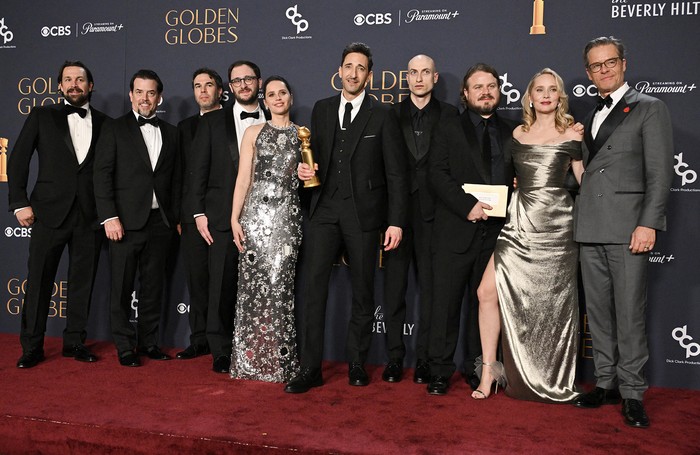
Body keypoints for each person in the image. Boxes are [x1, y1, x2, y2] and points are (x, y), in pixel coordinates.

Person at [285, 42, 408, 393]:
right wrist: (304, 171)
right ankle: (310, 367)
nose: (353, 73)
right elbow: (315, 161)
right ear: (339, 71)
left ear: (369, 75)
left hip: (364, 216)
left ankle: (357, 362)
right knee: (313, 290)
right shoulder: (322, 110)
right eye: (348, 66)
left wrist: (395, 220)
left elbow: (397, 174)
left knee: (363, 292)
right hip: (324, 210)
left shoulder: (382, 115)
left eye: (360, 68)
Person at [572, 36, 673, 429]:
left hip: (629, 227)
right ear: (588, 72)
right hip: (590, 227)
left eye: (610, 62)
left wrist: (648, 223)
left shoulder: (650, 108)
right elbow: (585, 173)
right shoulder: (590, 114)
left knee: (629, 314)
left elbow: (661, 173)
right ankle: (606, 382)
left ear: (624, 64)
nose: (604, 70)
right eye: (596, 66)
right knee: (597, 314)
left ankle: (632, 392)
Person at [471, 68, 584, 402]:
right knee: (485, 292)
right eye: (540, 90)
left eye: (553, 90)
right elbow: (504, 176)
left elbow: (584, 181)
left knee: (553, 308)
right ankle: (489, 369)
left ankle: (551, 377)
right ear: (530, 97)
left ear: (560, 96)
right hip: (518, 224)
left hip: (558, 229)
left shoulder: (573, 135)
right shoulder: (517, 133)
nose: (546, 95)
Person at [8, 61, 108, 368]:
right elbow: (18, 160)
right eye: (68, 79)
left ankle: (75, 342)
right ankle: (32, 347)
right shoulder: (42, 115)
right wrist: (19, 202)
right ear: (60, 86)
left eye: (80, 79)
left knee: (82, 282)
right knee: (38, 282)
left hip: (89, 216)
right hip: (48, 213)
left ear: (91, 86)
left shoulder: (107, 123)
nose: (74, 84)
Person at [426, 64, 518, 395]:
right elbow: (437, 173)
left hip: (497, 234)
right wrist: (467, 206)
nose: (485, 92)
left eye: (491, 86)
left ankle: (478, 367)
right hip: (455, 227)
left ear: (499, 91)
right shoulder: (448, 127)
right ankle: (439, 370)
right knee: (445, 304)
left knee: (486, 304)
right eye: (477, 87)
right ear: (465, 94)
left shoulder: (514, 130)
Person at [94, 69, 181, 367]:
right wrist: (109, 216)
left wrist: (176, 218)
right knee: (121, 286)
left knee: (153, 286)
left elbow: (177, 180)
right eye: (139, 92)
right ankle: (124, 346)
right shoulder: (114, 129)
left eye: (151, 93)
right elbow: (102, 175)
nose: (145, 98)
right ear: (131, 95)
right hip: (124, 223)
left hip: (161, 223)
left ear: (160, 97)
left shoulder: (172, 132)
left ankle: (149, 342)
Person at [382, 54, 458, 384]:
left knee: (431, 292)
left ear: (435, 77)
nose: (418, 78)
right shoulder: (389, 115)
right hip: (396, 216)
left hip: (436, 217)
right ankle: (395, 358)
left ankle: (425, 359)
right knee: (394, 291)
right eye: (413, 72)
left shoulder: (451, 115)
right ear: (406, 77)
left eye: (425, 72)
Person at [186, 60, 266, 373]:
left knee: (260, 288)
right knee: (220, 285)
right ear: (229, 87)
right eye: (237, 80)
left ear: (258, 82)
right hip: (219, 217)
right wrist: (198, 212)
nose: (243, 84)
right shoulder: (211, 122)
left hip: (264, 217)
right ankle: (220, 349)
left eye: (249, 79)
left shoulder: (277, 119)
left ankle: (255, 346)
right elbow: (197, 172)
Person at [229, 76, 301, 382]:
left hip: (287, 219)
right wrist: (234, 218)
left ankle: (282, 363)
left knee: (280, 288)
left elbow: (311, 180)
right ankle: (248, 363)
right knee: (251, 292)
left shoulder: (303, 134)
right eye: (271, 94)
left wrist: (306, 173)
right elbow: (244, 178)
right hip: (255, 219)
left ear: (290, 97)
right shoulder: (252, 132)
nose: (277, 98)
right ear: (264, 99)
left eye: (282, 92)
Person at [176, 68, 224, 360]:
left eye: (209, 85)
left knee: (222, 281)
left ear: (220, 89)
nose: (203, 90)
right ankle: (199, 339)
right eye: (197, 86)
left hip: (223, 215)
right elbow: (180, 175)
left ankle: (222, 341)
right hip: (191, 216)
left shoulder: (231, 121)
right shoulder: (184, 127)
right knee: (196, 280)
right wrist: (183, 217)